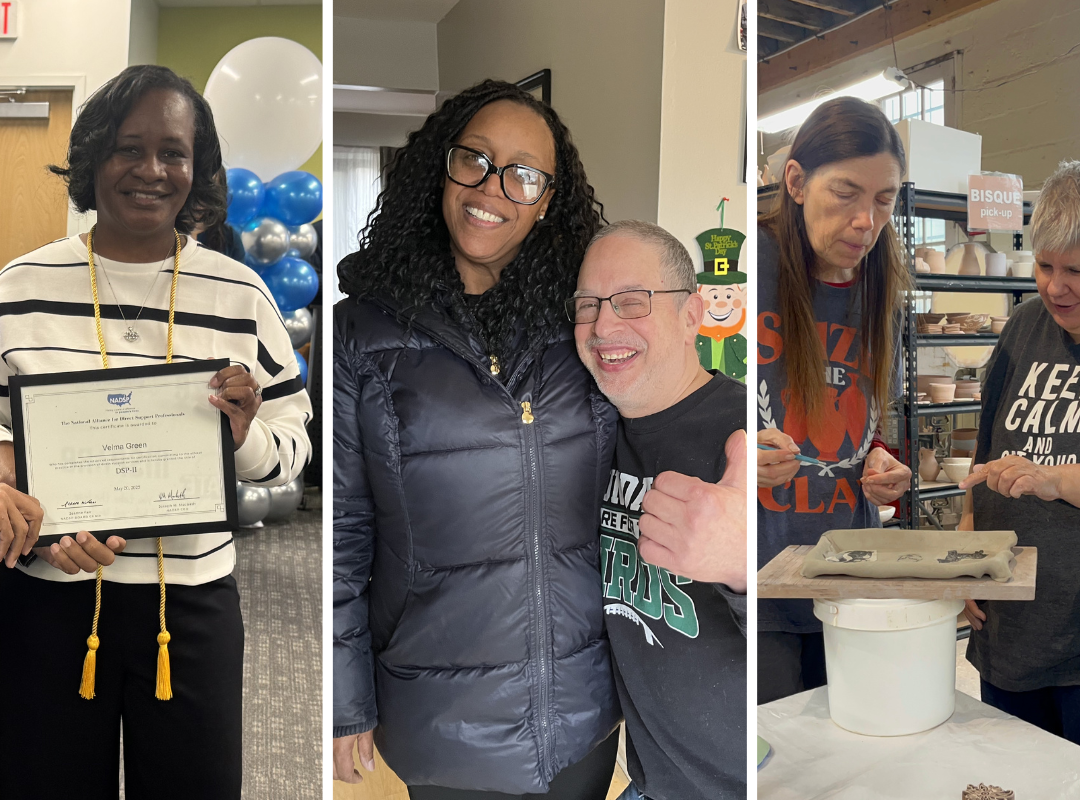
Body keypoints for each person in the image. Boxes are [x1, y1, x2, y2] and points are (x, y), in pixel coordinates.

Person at [0, 65, 311, 799]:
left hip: (190, 608)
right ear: (92, 158)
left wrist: (244, 438)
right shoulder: (19, 288)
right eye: (127, 148)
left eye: (173, 151)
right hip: (47, 600)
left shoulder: (239, 293)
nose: (151, 170)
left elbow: (292, 445)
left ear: (197, 168)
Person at [332, 80, 620, 798]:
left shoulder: (588, 326)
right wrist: (344, 700)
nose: (494, 186)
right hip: (441, 716)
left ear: (548, 200)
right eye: (476, 159)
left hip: (582, 709)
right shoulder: (360, 332)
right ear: (443, 166)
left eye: (524, 174)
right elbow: (343, 528)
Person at [570, 220, 747, 800]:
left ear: (693, 314)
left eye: (630, 301)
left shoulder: (748, 436)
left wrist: (749, 566)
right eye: (588, 305)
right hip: (650, 783)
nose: (603, 325)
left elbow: (822, 631)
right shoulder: (592, 432)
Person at [756, 97, 912, 704]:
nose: (865, 222)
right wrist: (743, 455)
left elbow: (874, 423)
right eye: (846, 193)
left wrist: (882, 460)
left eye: (884, 199)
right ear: (796, 181)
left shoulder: (883, 288)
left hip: (850, 573)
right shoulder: (751, 273)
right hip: (762, 581)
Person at [957, 160, 1080, 744]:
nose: (1057, 286)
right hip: (1010, 628)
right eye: (1046, 266)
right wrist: (966, 556)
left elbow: (1045, 476)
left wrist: (1053, 480)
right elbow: (984, 456)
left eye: (1077, 270)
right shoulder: (1024, 326)